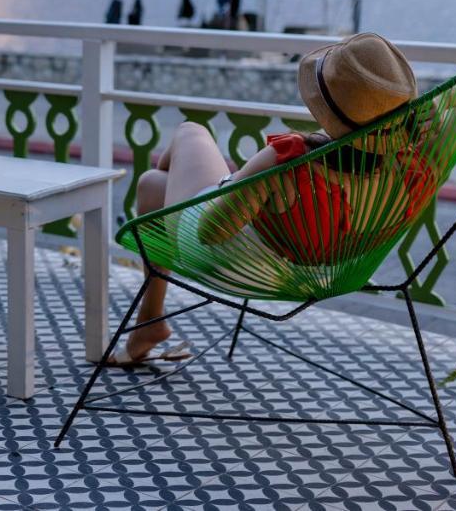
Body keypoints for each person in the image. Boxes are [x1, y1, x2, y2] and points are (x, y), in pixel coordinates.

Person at [107, 31, 436, 366]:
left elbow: (211, 232)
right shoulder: (414, 172)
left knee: (190, 132)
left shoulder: (289, 160)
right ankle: (149, 321)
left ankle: (148, 320)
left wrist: (242, 181)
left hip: (227, 261)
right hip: (312, 268)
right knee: (152, 184)